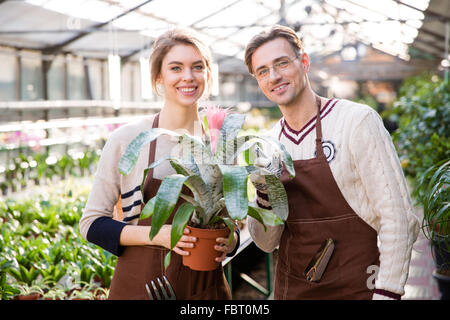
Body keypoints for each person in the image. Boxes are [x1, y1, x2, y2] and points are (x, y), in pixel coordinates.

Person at [244, 25, 419, 300]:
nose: (274, 76)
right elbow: (266, 243)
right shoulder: (268, 144)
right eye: (263, 71)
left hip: (359, 286)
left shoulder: (355, 122)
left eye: (282, 63)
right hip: (295, 289)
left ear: (304, 62)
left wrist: (388, 292)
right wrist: (265, 196)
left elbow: (397, 217)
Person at [79, 28, 238, 300]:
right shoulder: (128, 139)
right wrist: (160, 235)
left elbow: (231, 222)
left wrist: (230, 242)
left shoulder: (219, 142)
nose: (188, 76)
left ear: (208, 75)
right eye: (176, 68)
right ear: (158, 78)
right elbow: (92, 225)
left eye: (197, 67)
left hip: (205, 290)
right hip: (142, 287)